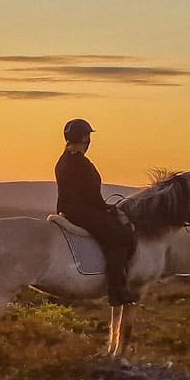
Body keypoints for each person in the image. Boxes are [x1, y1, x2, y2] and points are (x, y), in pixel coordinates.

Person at [55, 118, 138, 306]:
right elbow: (91, 194)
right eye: (88, 136)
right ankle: (117, 291)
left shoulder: (64, 159)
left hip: (69, 209)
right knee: (120, 236)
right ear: (85, 138)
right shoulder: (80, 162)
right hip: (82, 213)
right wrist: (107, 208)